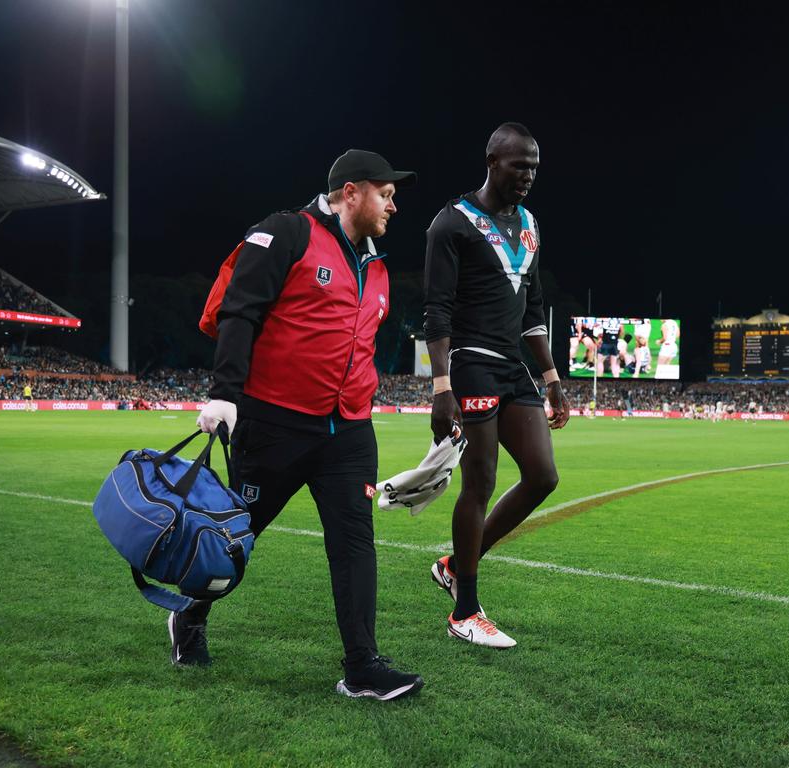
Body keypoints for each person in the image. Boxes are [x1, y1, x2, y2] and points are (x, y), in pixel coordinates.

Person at [190, 150, 423, 701]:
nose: (394, 202)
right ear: (350, 192)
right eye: (385, 192)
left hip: (349, 431)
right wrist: (225, 395)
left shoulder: (378, 266)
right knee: (233, 540)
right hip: (275, 423)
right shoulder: (286, 234)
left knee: (354, 541)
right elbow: (239, 310)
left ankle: (363, 665)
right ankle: (190, 615)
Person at [423, 122, 569, 649]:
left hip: (514, 368)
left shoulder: (530, 225)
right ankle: (465, 611)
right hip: (472, 364)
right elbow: (435, 311)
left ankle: (454, 564)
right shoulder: (451, 223)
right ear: (492, 161)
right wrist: (442, 388)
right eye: (518, 164)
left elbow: (531, 310)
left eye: (534, 166)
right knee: (480, 481)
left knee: (542, 475)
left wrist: (552, 379)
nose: (528, 175)